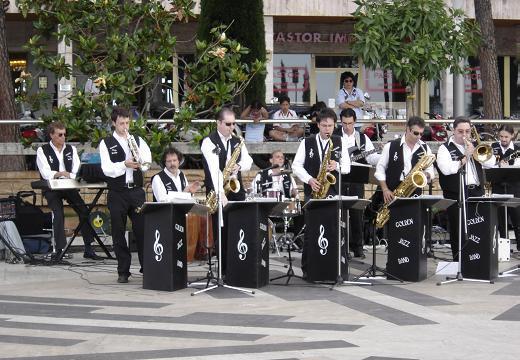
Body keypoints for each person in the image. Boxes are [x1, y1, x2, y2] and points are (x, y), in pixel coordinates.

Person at [292, 108, 351, 277]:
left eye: (330, 126)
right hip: (314, 191)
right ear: (318, 125)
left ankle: (334, 268)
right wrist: (310, 179)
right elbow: (296, 166)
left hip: (333, 192)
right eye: (324, 125)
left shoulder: (340, 141)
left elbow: (347, 167)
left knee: (334, 230)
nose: (327, 129)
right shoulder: (307, 142)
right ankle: (309, 269)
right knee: (312, 231)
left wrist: (336, 166)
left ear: (335, 126)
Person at [99, 107, 152, 283]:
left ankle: (148, 268)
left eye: (127, 123)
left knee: (142, 229)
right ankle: (123, 271)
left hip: (136, 191)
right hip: (117, 192)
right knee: (118, 231)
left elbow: (146, 163)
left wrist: (139, 161)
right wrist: (124, 164)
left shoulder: (136, 140)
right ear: (114, 123)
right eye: (121, 123)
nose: (125, 127)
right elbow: (107, 170)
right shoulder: (106, 143)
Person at [36, 121, 101, 261]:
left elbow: (76, 171)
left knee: (84, 210)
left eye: (65, 134)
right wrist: (60, 174)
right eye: (60, 134)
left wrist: (67, 174)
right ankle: (59, 250)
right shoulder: (43, 150)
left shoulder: (71, 149)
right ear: (51, 135)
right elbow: (45, 172)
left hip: (69, 185)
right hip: (52, 188)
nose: (63, 137)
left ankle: (89, 248)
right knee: (58, 213)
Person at [200, 107, 253, 273]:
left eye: (234, 124)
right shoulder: (209, 141)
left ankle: (239, 265)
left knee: (240, 227)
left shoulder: (238, 141)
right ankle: (224, 268)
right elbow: (214, 169)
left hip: (235, 188)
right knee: (221, 230)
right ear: (218, 123)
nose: (232, 127)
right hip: (218, 190)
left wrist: (239, 165)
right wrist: (220, 192)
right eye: (228, 124)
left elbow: (249, 161)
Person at [436, 117, 495, 261]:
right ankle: (459, 261)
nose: (464, 135)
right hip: (456, 194)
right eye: (460, 131)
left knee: (478, 227)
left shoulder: (475, 145)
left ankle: (476, 259)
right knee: (458, 229)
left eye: (467, 131)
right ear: (453, 131)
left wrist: (475, 150)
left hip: (476, 192)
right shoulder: (444, 148)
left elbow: (491, 164)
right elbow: (446, 169)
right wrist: (466, 157)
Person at [333, 108, 380, 258]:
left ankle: (358, 246)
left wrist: (383, 157)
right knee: (339, 214)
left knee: (357, 213)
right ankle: (341, 246)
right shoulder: (334, 137)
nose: (347, 127)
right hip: (338, 178)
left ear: (355, 122)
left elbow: (371, 157)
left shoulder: (362, 138)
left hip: (357, 179)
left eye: (350, 123)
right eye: (344, 123)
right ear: (340, 122)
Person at [375, 116, 435, 205]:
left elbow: (430, 171)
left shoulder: (425, 148)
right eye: (416, 133)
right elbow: (380, 170)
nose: (418, 137)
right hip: (392, 193)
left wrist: (426, 175)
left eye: (421, 134)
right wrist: (385, 190)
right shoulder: (390, 146)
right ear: (407, 129)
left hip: (414, 193)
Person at [486, 125, 520, 251]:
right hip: (497, 187)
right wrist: (497, 165)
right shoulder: (492, 148)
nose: (503, 139)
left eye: (506, 136)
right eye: (501, 136)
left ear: (512, 136)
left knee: (517, 218)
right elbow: (486, 164)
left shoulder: (517, 150)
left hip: (514, 188)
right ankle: (503, 249)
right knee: (500, 219)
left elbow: (517, 168)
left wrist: (507, 167)